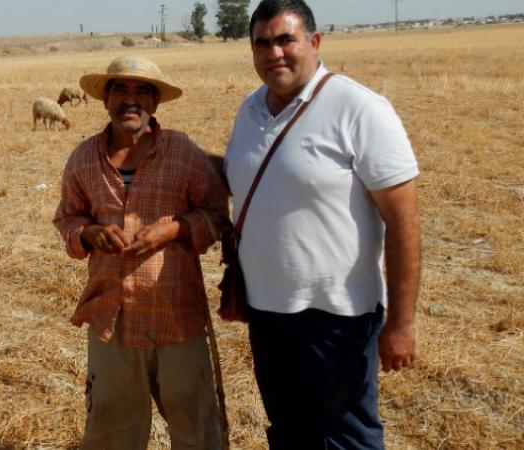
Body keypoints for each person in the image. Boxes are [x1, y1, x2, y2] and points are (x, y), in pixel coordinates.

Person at [223, 1, 421, 448]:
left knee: (346, 436)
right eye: (262, 43)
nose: (274, 53)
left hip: (336, 316)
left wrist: (401, 324)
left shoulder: (358, 108)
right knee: (289, 432)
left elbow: (404, 221)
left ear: (314, 42)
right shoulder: (250, 110)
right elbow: (248, 176)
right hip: (266, 312)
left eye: (284, 40)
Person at [53, 55, 229, 450]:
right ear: (106, 100)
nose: (130, 101)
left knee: (194, 425)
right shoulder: (83, 158)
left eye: (141, 92)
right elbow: (67, 219)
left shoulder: (182, 152)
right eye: (121, 90)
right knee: (112, 428)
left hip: (175, 314)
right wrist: (91, 233)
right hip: (110, 317)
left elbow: (217, 215)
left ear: (155, 102)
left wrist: (174, 229)